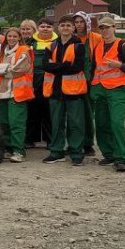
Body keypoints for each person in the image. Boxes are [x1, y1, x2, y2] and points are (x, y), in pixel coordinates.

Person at [90, 16, 125, 172]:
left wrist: (119, 65)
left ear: (114, 28)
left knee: (116, 123)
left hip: (118, 89)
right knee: (101, 123)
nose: (105, 31)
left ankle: (121, 157)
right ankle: (108, 154)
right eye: (102, 28)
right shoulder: (98, 46)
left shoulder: (123, 46)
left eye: (107, 27)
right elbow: (95, 69)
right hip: (100, 89)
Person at [42, 15, 88, 165]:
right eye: (63, 25)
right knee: (56, 123)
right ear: (58, 28)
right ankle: (56, 151)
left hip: (74, 92)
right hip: (55, 91)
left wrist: (56, 66)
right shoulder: (51, 46)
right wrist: (64, 65)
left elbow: (77, 67)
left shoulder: (79, 45)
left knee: (76, 123)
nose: (65, 28)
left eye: (69, 25)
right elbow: (45, 66)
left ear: (73, 28)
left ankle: (76, 152)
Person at [0, 27, 33, 162]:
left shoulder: (24, 50)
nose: (12, 38)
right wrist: (6, 68)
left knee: (16, 123)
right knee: (4, 123)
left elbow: (19, 70)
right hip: (2, 93)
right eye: (9, 36)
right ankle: (9, 149)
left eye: (15, 36)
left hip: (17, 93)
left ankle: (19, 151)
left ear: (19, 37)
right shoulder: (2, 52)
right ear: (6, 38)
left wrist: (2, 70)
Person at [27, 17, 59, 149]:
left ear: (53, 29)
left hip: (50, 80)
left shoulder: (58, 42)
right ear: (38, 28)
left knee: (48, 111)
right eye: (43, 26)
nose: (45, 29)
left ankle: (50, 140)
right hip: (33, 80)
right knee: (32, 110)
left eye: (48, 27)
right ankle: (30, 139)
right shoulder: (30, 42)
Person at [73, 12, 100, 156]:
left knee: (89, 113)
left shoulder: (96, 38)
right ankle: (74, 143)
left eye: (81, 22)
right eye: (76, 22)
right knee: (74, 114)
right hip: (73, 80)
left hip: (90, 79)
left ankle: (88, 143)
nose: (78, 24)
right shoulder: (71, 38)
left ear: (87, 23)